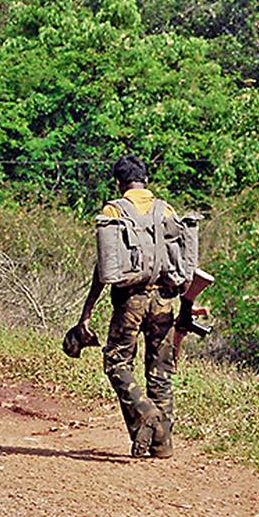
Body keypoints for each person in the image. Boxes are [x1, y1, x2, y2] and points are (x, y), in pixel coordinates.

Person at [73, 154, 181, 459]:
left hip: (131, 300)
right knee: (160, 372)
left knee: (117, 362)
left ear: (119, 183)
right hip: (164, 300)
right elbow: (180, 261)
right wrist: (185, 307)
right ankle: (162, 444)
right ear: (146, 180)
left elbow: (104, 268)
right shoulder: (167, 210)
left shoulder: (114, 210)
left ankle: (145, 413)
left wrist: (87, 312)